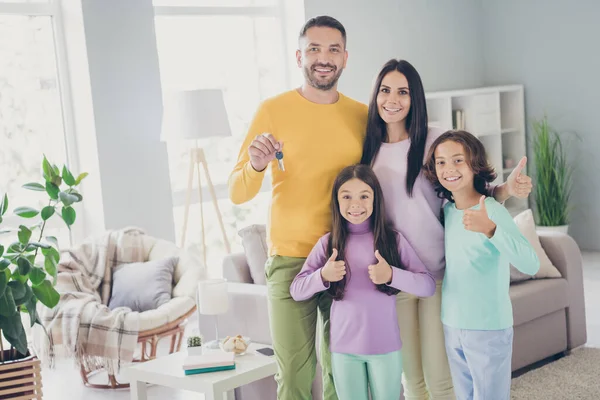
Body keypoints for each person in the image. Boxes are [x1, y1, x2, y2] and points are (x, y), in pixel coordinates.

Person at [360, 59, 533, 399]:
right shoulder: (368, 149)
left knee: (441, 381)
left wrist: (507, 191)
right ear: (375, 95)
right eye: (385, 90)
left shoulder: (435, 139)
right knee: (413, 381)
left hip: (438, 275)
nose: (392, 99)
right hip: (395, 276)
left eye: (403, 91)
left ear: (415, 98)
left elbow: (467, 191)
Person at [228, 16, 367, 400]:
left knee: (345, 370)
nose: (324, 58)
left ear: (345, 58)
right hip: (291, 260)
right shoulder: (272, 110)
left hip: (348, 254)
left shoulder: (361, 115)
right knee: (294, 375)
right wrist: (257, 164)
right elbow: (237, 192)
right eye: (314, 49)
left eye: (333, 49)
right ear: (298, 56)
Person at [290, 164, 436, 400]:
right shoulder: (328, 244)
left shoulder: (392, 240)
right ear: (336, 201)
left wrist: (391, 275)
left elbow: (427, 285)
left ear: (375, 199)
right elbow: (297, 290)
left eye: (364, 196)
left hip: (386, 348)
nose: (355, 204)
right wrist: (323, 276)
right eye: (346, 196)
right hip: (343, 351)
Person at [422, 130, 539, 399]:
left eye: (457, 160)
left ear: (475, 165)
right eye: (440, 162)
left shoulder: (492, 211)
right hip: (452, 323)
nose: (448, 168)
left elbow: (530, 263)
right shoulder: (448, 211)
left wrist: (491, 230)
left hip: (488, 327)